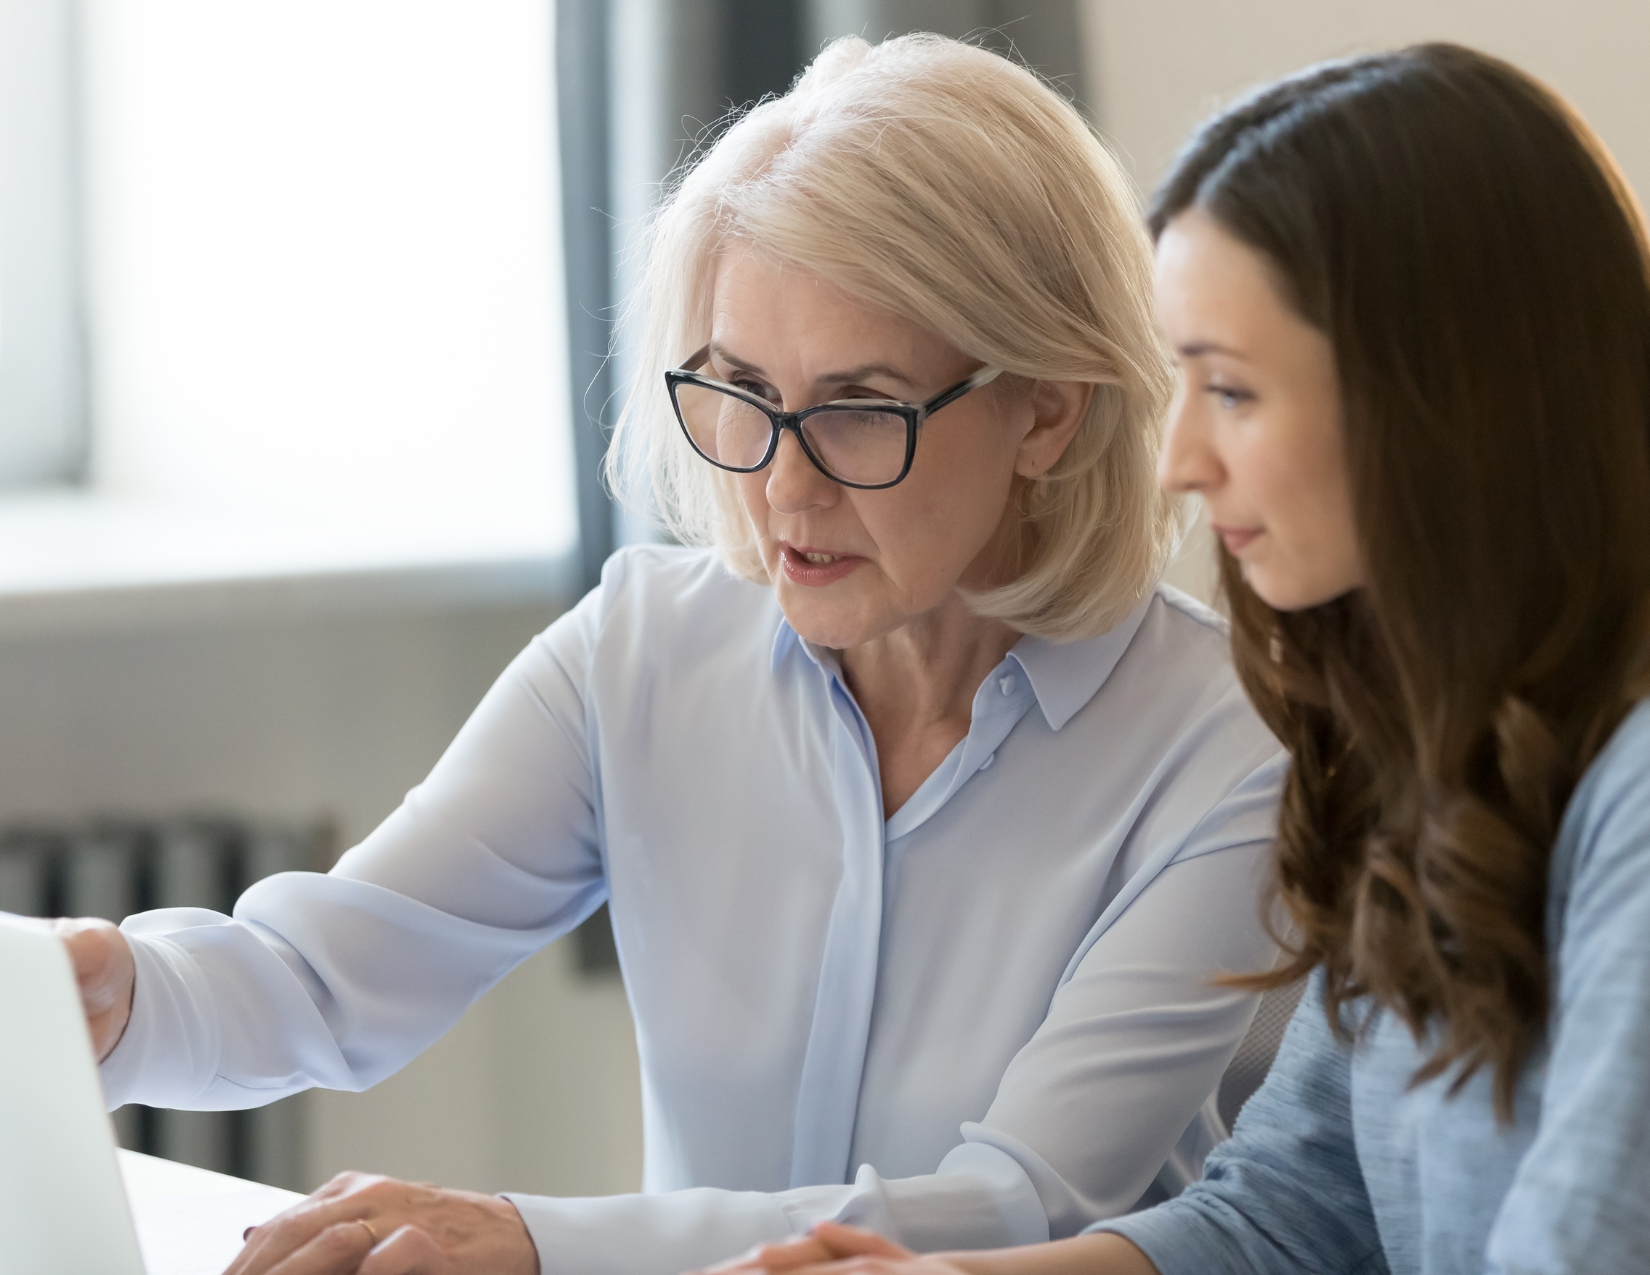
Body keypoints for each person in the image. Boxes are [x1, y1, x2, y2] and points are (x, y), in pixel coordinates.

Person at [58, 33, 1286, 1275]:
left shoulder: (1227, 754)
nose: (784, 489)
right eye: (741, 393)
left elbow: (1015, 1204)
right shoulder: (641, 651)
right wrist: (115, 995)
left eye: (858, 409)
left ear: (1048, 407)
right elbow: (327, 974)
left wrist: (529, 1243)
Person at [715, 41, 1650, 1275]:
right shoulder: (1433, 760)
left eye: (1234, 391)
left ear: (1440, 404)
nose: (1178, 463)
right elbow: (1288, 1214)